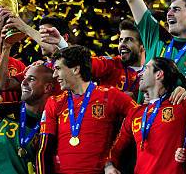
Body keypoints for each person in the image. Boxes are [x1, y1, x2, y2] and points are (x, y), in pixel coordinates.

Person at [36, 46, 137, 174]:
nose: (54, 75)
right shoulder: (54, 102)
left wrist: (112, 158)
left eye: (58, 69)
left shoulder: (110, 95)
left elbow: (140, 118)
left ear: (76, 69)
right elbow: (44, 150)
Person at [105, 57, 186, 174]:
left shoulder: (181, 103)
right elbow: (115, 148)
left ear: (159, 74)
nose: (141, 73)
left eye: (146, 68)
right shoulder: (135, 113)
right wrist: (109, 166)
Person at [91, 20, 145, 98]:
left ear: (143, 46)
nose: (122, 44)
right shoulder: (110, 64)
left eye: (129, 40)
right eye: (120, 40)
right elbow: (84, 63)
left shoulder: (151, 73)